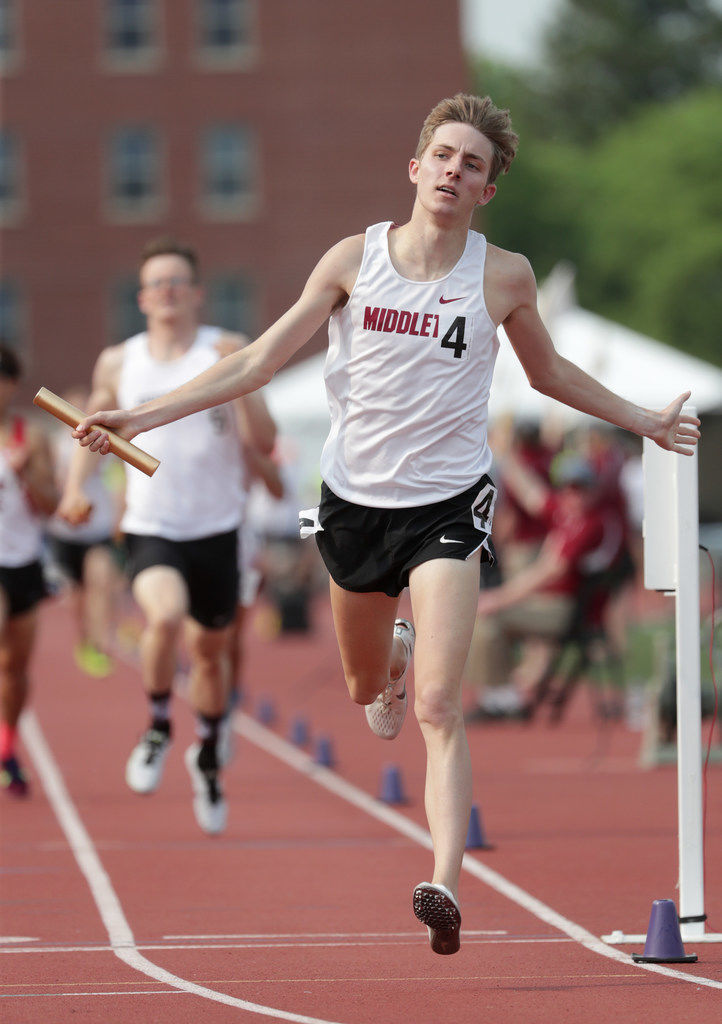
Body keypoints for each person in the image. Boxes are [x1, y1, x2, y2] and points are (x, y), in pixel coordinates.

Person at [70, 94, 700, 953]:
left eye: (471, 164)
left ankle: (443, 881)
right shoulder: (352, 259)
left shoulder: (500, 275)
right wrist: (141, 417)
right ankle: (389, 659)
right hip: (354, 507)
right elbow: (258, 359)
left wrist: (645, 421)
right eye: (443, 155)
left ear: (486, 190)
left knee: (441, 705)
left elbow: (550, 377)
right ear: (416, 168)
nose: (453, 171)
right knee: (369, 690)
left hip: (447, 507)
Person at [58, 238, 276, 835]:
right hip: (153, 525)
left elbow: (264, 435)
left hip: (218, 528)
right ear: (143, 297)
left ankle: (206, 759)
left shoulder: (226, 349)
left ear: (197, 292)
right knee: (163, 617)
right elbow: (90, 429)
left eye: (178, 281)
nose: (168, 292)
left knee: (209, 656)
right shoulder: (119, 362)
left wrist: (247, 389)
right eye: (157, 283)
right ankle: (157, 725)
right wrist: (78, 489)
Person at [464, 450, 608, 720]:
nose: (572, 495)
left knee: (487, 618)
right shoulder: (566, 515)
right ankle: (502, 695)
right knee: (488, 621)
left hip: (560, 610)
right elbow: (531, 492)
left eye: (580, 488)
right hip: (545, 604)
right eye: (567, 487)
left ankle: (501, 698)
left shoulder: (588, 524)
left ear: (591, 491)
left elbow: (547, 572)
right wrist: (504, 453)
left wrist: (498, 598)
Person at [0, 344, 58, 796]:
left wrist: (22, 475)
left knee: (15, 670)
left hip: (24, 562)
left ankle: (7, 748)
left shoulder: (30, 435)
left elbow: (51, 505)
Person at [46, 386, 124, 678]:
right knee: (78, 594)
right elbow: (50, 481)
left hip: (97, 529)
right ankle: (85, 639)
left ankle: (101, 642)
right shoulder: (56, 444)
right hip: (66, 531)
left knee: (100, 581)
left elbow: (117, 480)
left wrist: (119, 515)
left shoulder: (102, 441)